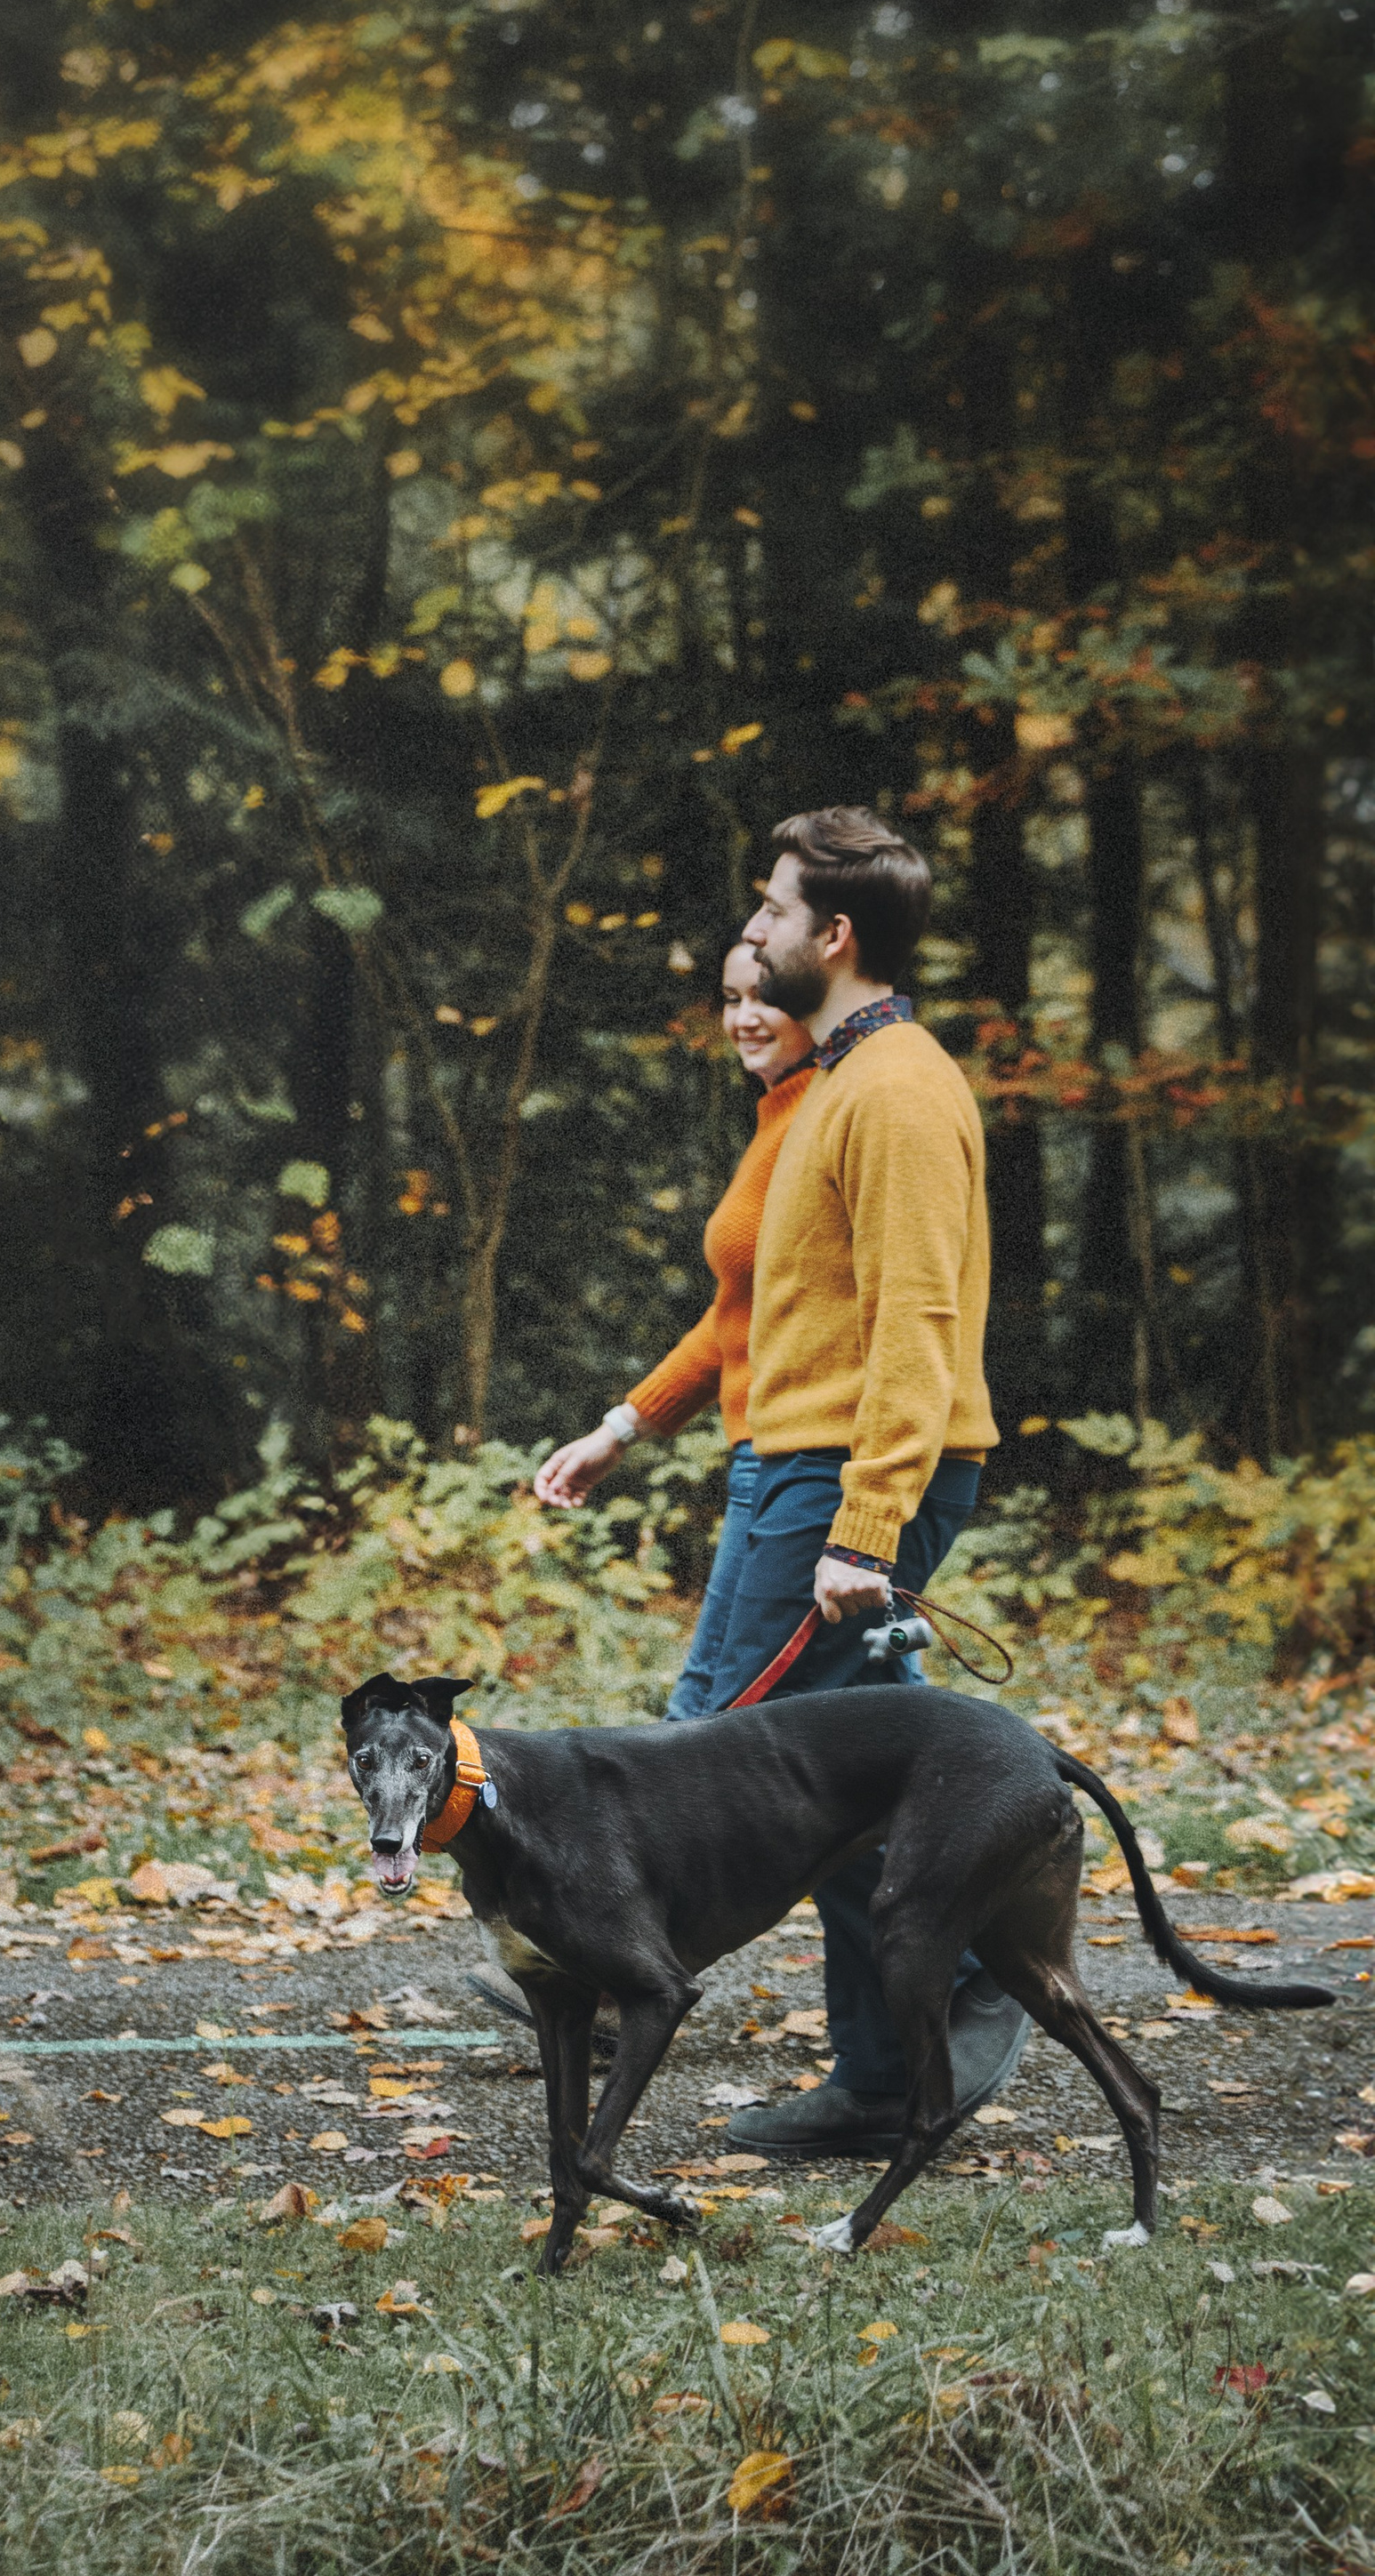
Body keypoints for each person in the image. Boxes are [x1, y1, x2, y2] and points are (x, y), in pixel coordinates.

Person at [535, 806, 1025, 2154]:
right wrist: (628, 1423)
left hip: (840, 1479)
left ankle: (591, 1969)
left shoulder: (904, 1092)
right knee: (842, 1779)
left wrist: (867, 1528)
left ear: (835, 934)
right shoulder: (832, 1087)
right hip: (795, 1468)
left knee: (717, 1748)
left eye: (770, 913)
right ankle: (924, 2040)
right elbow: (769, 1311)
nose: (751, 937)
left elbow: (921, 1327)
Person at [532, 943, 816, 1717]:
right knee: (736, 1708)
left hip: (803, 1457)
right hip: (771, 1452)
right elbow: (737, 1319)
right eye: (730, 999)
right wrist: (619, 1430)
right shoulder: (778, 1116)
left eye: (767, 998)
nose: (744, 1019)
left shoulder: (825, 1114)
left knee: (714, 1713)